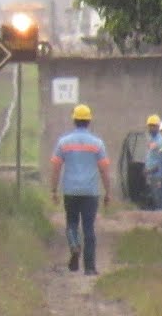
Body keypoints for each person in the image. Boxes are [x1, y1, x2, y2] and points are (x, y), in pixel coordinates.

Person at [50, 103, 113, 275]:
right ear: (89, 121)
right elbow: (104, 169)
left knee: (71, 223)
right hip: (91, 192)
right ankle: (90, 267)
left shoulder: (63, 143)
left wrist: (53, 190)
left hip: (70, 190)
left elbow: (56, 167)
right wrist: (108, 191)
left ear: (74, 121)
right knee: (89, 228)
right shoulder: (97, 144)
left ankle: (74, 245)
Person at [143, 114, 162, 209]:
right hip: (152, 175)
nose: (150, 128)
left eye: (153, 126)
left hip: (158, 175)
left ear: (158, 127)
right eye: (149, 126)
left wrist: (150, 170)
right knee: (155, 200)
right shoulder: (152, 139)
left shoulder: (160, 141)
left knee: (159, 200)